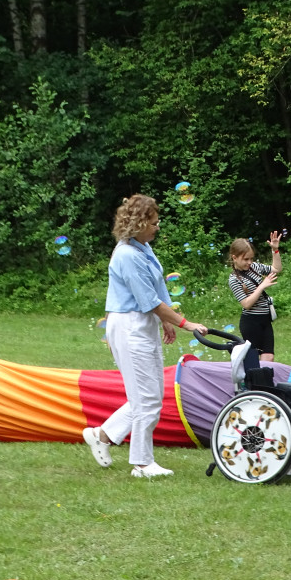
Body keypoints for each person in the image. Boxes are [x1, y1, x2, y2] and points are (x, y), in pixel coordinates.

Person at [82, 195, 209, 478]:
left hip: (143, 324)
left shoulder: (143, 247)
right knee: (146, 399)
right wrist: (185, 323)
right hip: (129, 326)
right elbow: (148, 301)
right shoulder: (126, 255)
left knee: (149, 396)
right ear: (138, 223)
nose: (157, 227)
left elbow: (157, 285)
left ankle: (102, 435)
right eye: (152, 222)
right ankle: (142, 463)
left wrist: (166, 321)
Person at [228, 233, 283, 362]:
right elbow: (246, 304)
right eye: (246, 259)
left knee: (269, 357)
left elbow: (276, 269)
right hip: (251, 322)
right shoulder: (234, 279)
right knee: (253, 360)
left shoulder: (255, 267)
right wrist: (262, 286)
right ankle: (252, 381)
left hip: (265, 319)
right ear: (234, 258)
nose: (249, 262)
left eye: (251, 259)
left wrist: (275, 250)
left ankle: (263, 382)